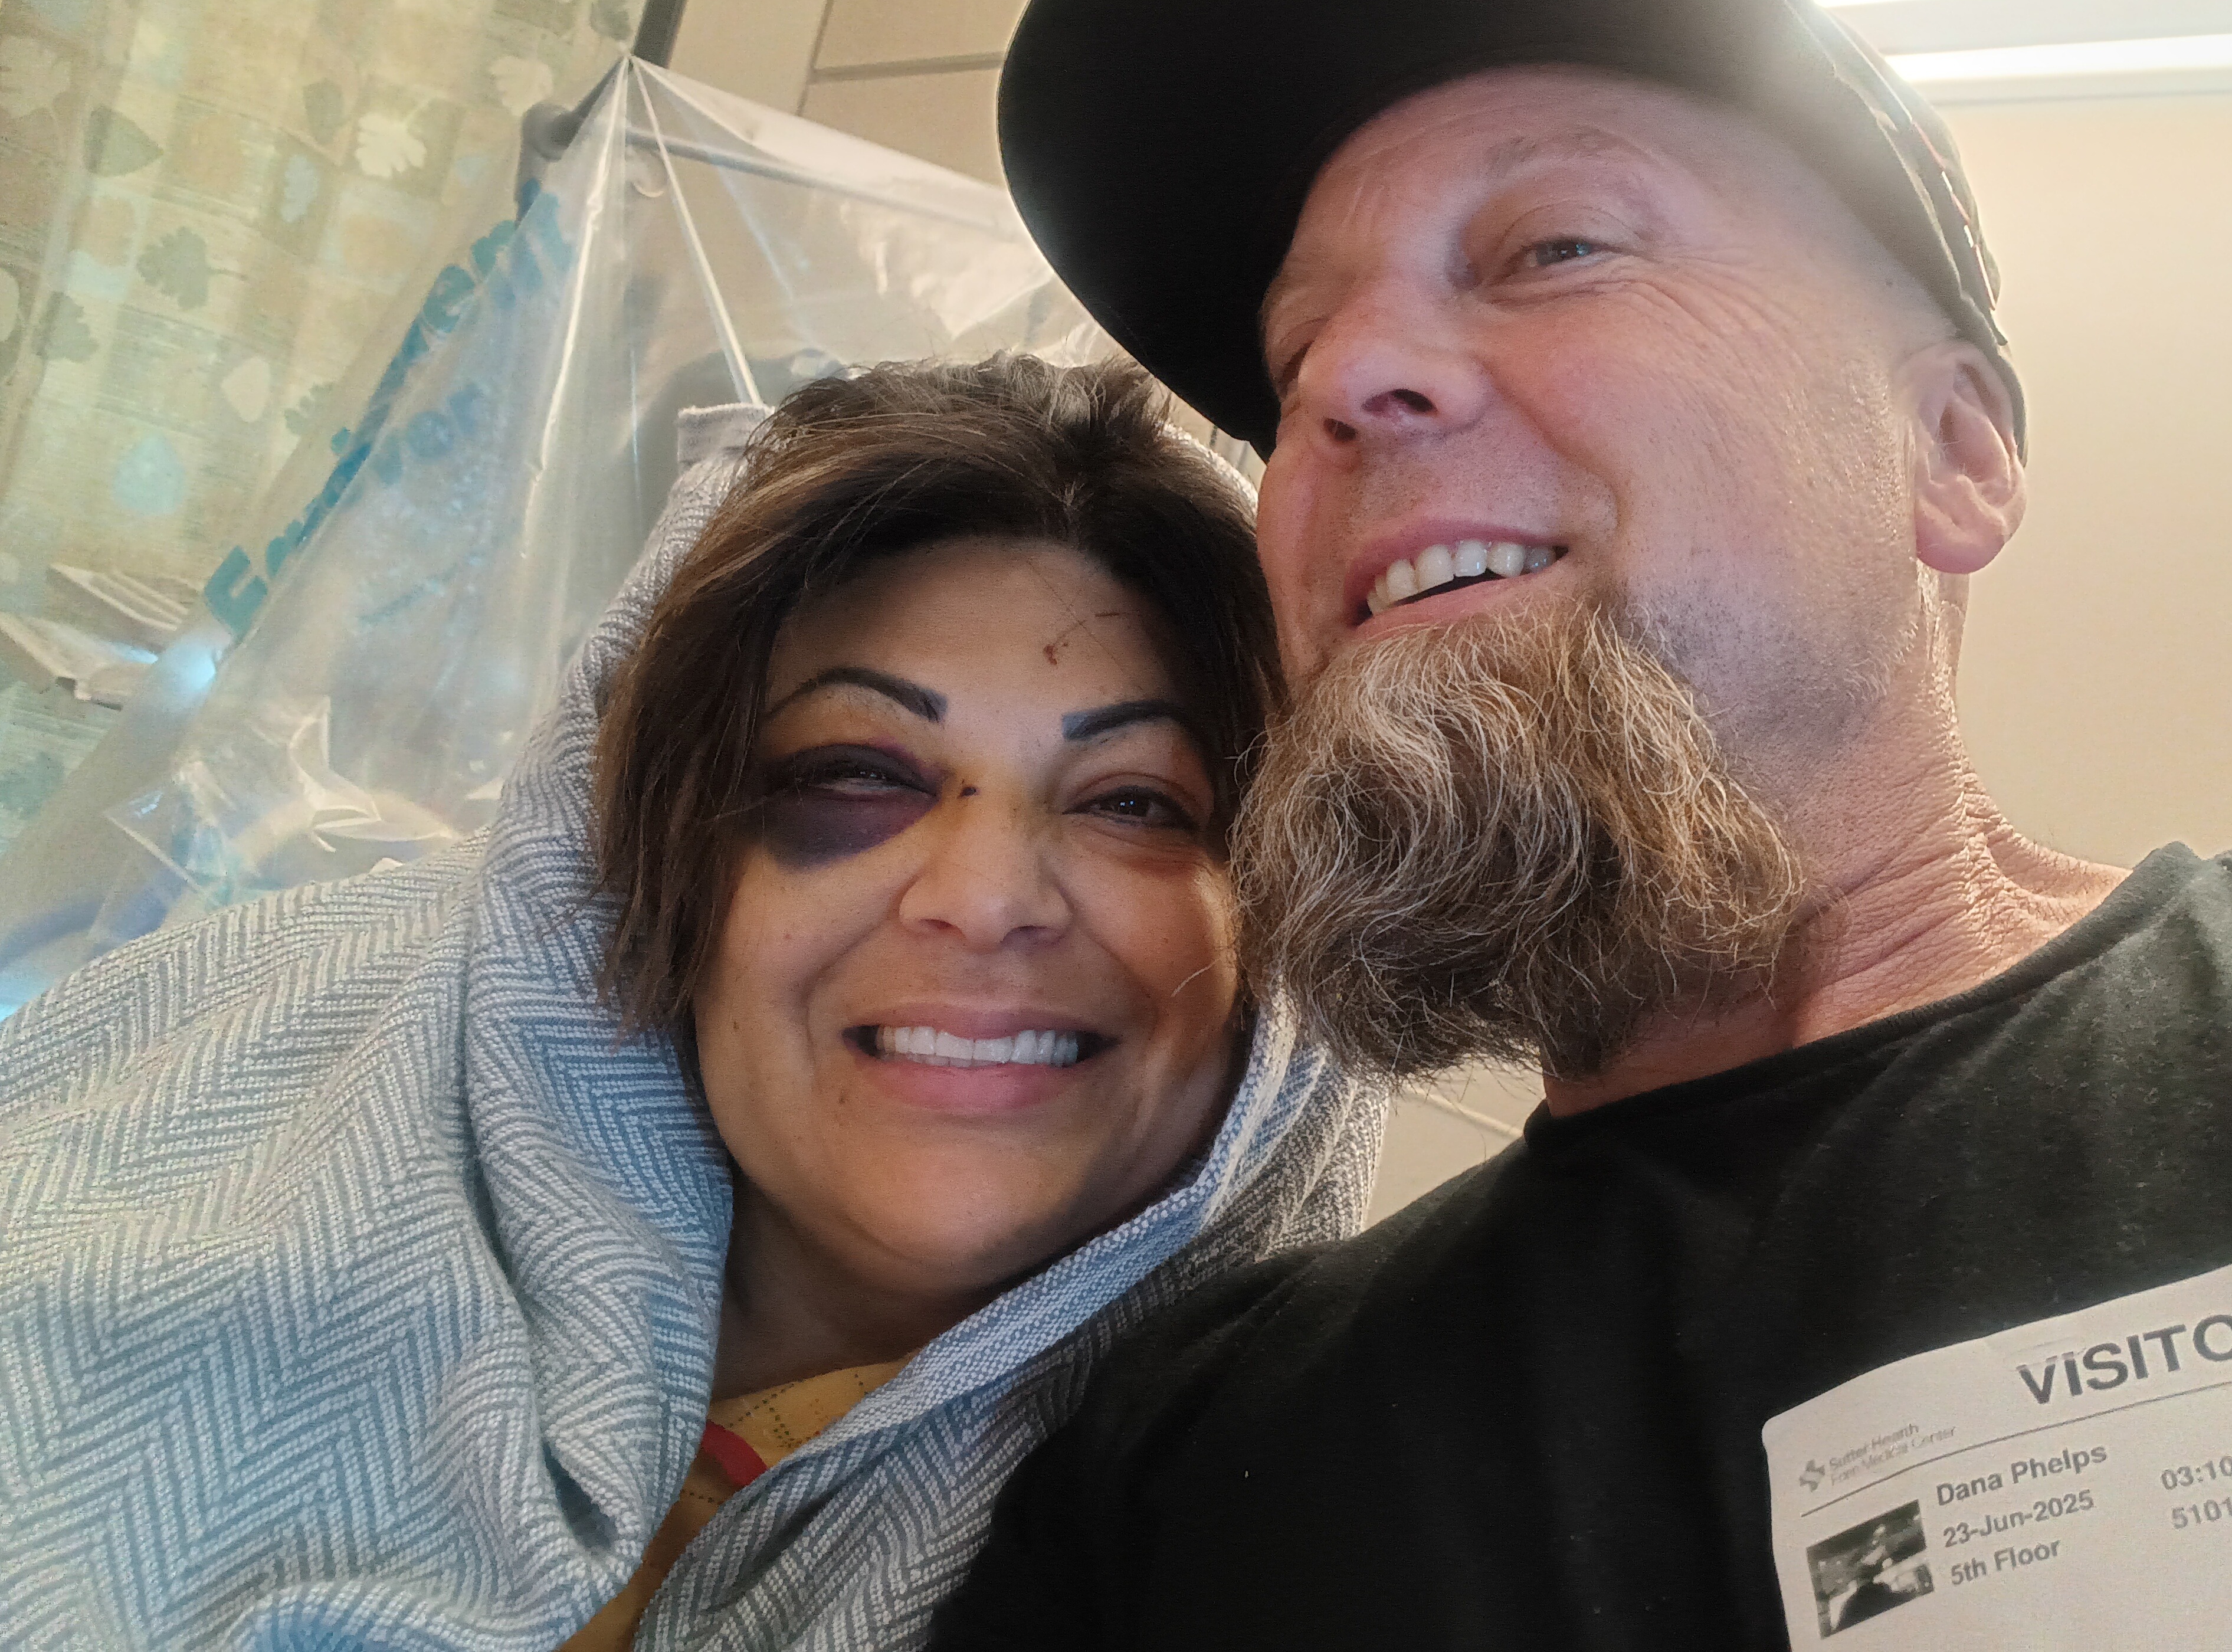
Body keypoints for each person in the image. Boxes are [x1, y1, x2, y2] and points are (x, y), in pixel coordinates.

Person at [926, 0, 2232, 1648]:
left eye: (1553, 248)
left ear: (1954, 454)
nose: (1341, 388)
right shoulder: (1174, 1480)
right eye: (1294, 358)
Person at [0, 357, 1381, 1651]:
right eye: (852, 773)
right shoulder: (157, 1180)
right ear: (648, 866)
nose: (982, 897)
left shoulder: (1332, 1531)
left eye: (1137, 802)